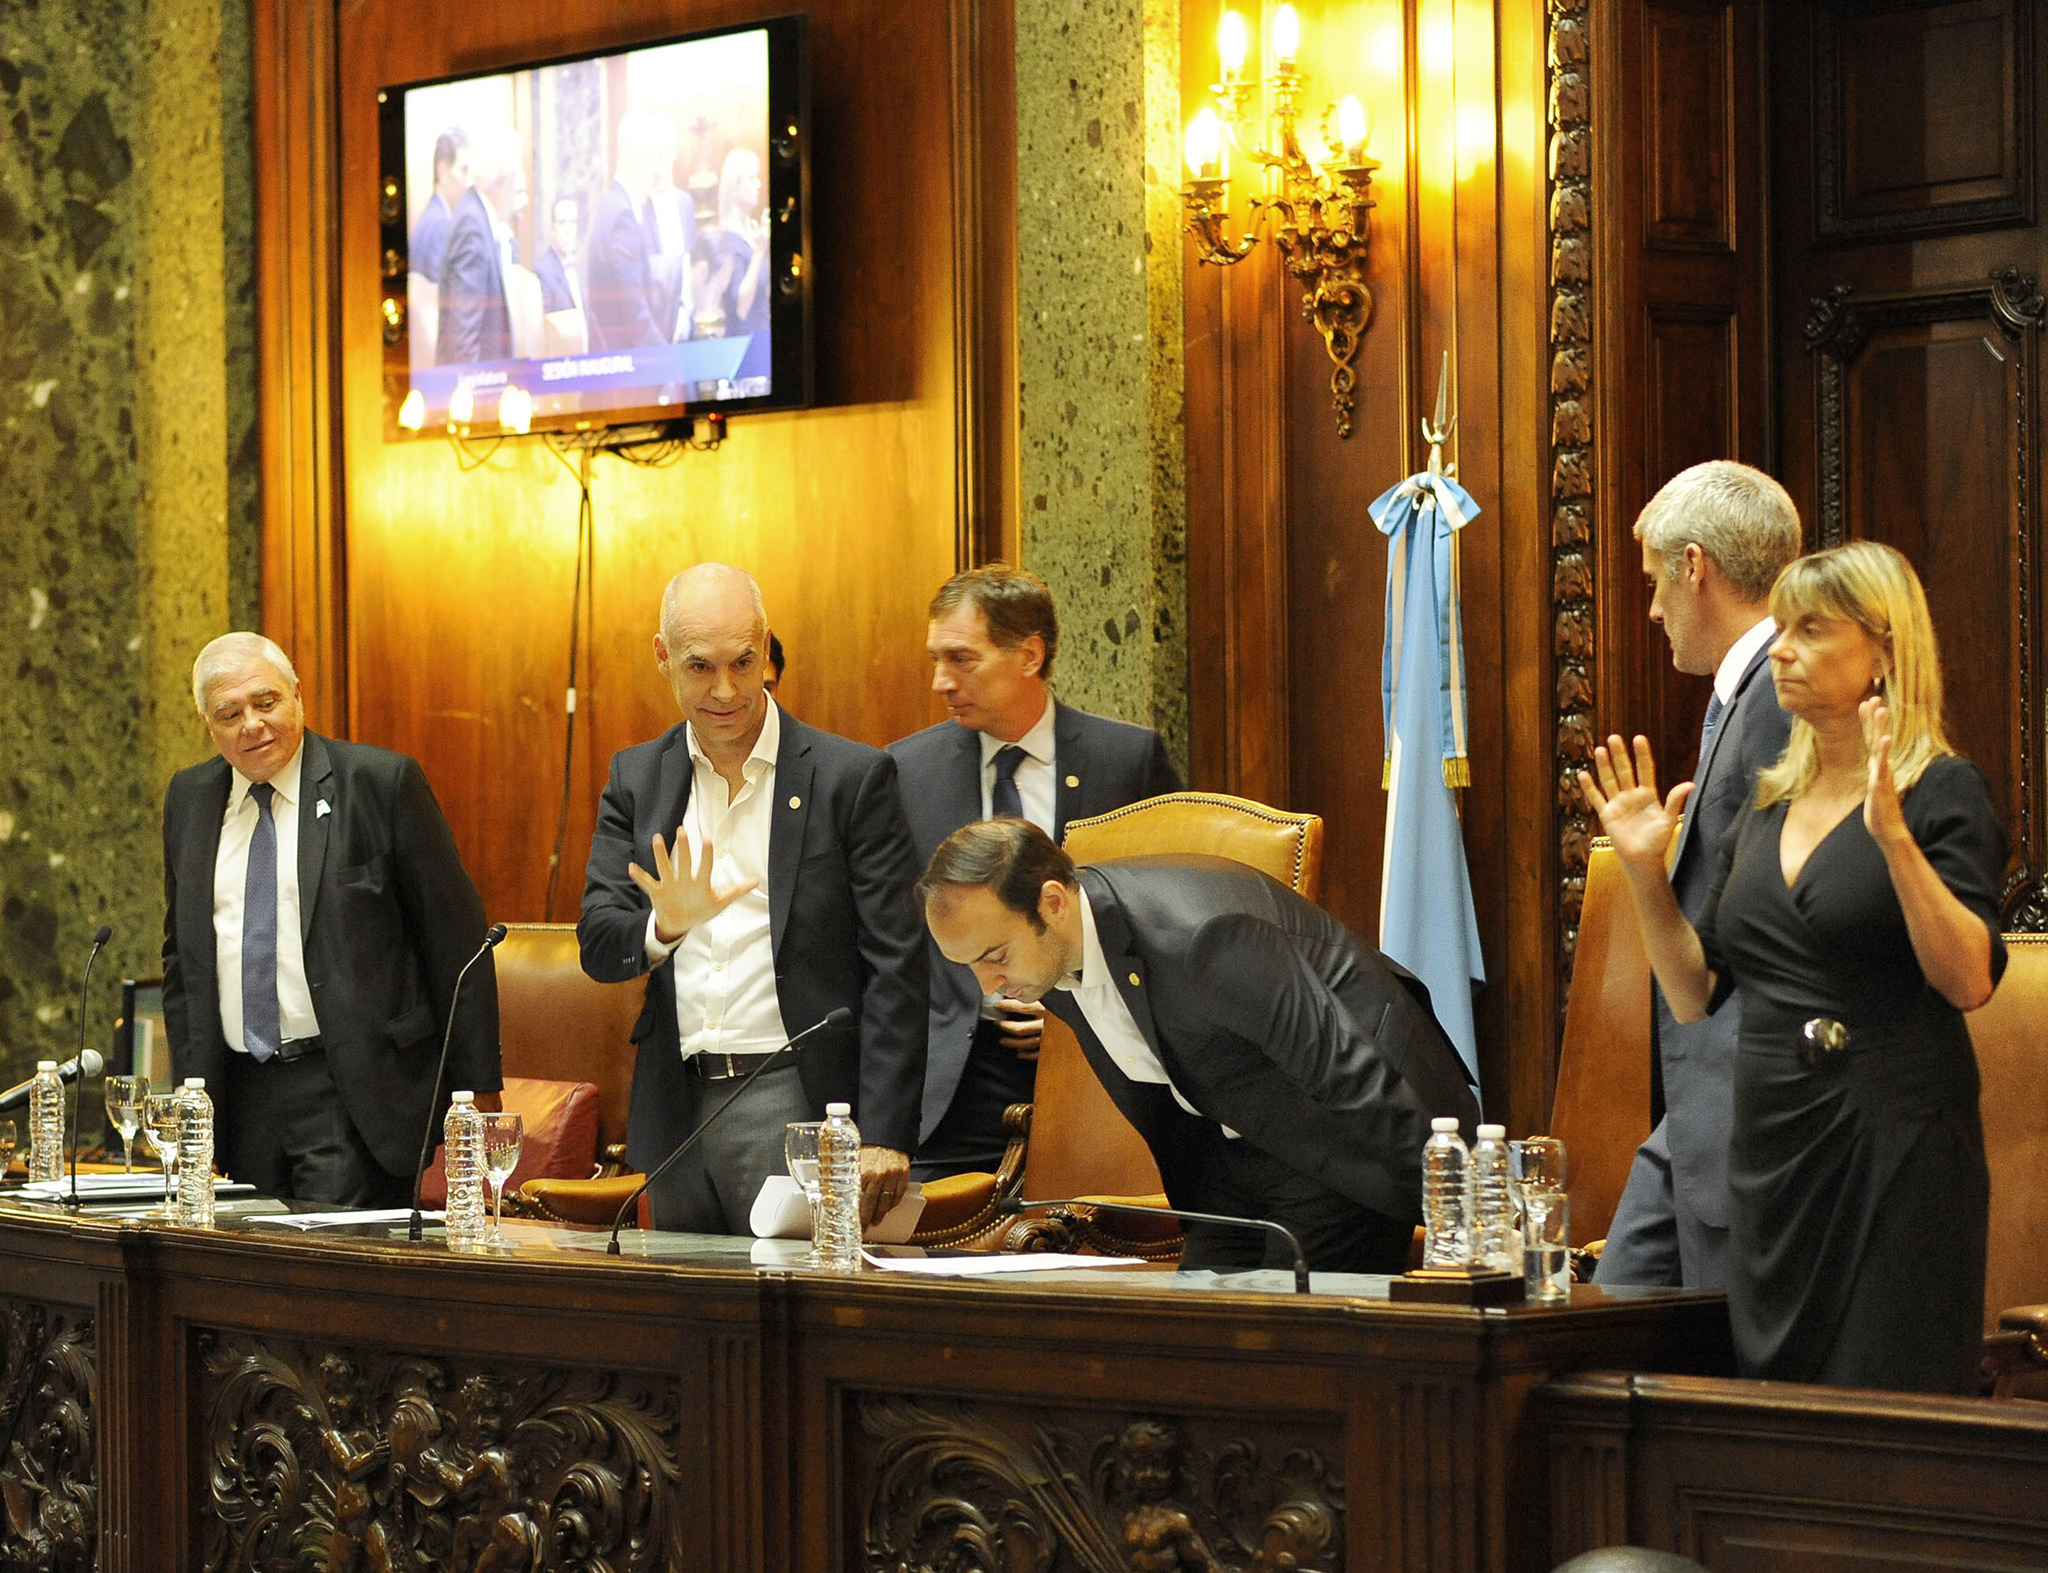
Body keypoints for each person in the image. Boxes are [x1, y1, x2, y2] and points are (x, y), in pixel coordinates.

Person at [1581, 540, 2007, 1393]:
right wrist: (1642, 871)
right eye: (1781, 628)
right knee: (1772, 1419)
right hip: (1775, 1149)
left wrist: (1893, 840)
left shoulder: (1940, 791)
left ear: (1884, 650)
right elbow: (1695, 990)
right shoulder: (1771, 800)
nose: (1781, 648)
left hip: (1893, 1151)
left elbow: (1967, 979)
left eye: (1811, 629)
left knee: (1878, 1418)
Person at [917, 819, 1479, 1273]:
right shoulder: (1050, 956)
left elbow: (1351, 1073)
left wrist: (1471, 1210)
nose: (988, 988)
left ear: (1053, 903)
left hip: (1349, 1143)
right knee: (1196, 1344)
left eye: (994, 957)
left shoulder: (1202, 938)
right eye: (968, 967)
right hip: (1237, 1155)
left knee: (1286, 1361)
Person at [577, 564, 926, 1233]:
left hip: (796, 1095)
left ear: (767, 648)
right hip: (674, 1105)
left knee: (795, 1317)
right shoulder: (638, 777)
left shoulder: (849, 778)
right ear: (663, 658)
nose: (726, 689)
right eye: (699, 666)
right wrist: (663, 927)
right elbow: (599, 941)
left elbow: (898, 965)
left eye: (743, 661)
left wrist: (885, 1130)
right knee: (687, 1321)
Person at [161, 633, 501, 1206]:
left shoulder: (378, 783)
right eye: (229, 713)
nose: (251, 724)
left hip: (352, 1090)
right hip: (237, 1095)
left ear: (297, 696)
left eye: (265, 702)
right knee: (241, 1282)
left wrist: (477, 1094)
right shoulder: (190, 798)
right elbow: (182, 957)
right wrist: (190, 1101)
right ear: (207, 722)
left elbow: (456, 944)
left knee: (336, 1282)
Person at [889, 566, 1181, 1179]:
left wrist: (1073, 1013)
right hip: (955, 1081)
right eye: (936, 659)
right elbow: (890, 938)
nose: (941, 681)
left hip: (1099, 1067)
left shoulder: (1125, 760)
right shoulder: (905, 770)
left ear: (1028, 655)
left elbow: (1161, 919)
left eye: (962, 659)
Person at [1595, 462, 1800, 1292]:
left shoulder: (1781, 696)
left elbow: (1777, 927)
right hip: (1696, 1119)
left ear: (1694, 565)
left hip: (1749, 1122)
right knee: (1588, 1339)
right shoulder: (1743, 694)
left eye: (1654, 582)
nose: (1651, 609)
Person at [436, 123, 526, 366]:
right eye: (518, 174)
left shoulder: (476, 216)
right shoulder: (472, 227)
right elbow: (463, 341)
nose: (521, 182)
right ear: (501, 180)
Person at [585, 108, 670, 353]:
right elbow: (636, 317)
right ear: (639, 156)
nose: (659, 170)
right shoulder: (622, 215)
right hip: (625, 374)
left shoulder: (613, 205)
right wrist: (671, 363)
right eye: (656, 157)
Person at [407, 127, 469, 287]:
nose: (468, 182)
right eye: (463, 170)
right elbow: (442, 296)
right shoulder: (440, 225)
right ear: (443, 171)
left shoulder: (433, 215)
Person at [534, 195, 585, 317]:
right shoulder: (543, 272)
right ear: (553, 228)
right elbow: (545, 324)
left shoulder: (582, 268)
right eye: (562, 223)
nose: (568, 230)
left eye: (572, 222)